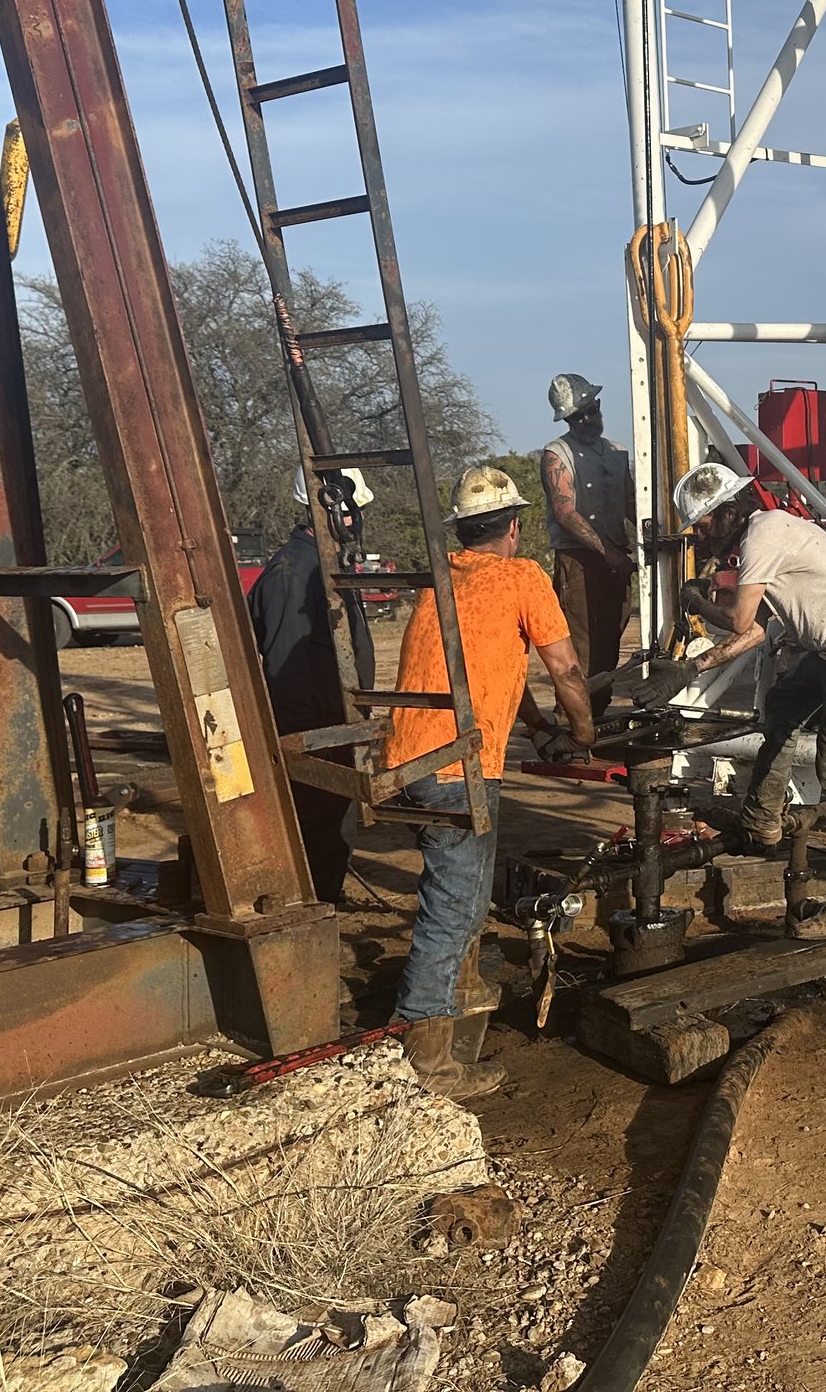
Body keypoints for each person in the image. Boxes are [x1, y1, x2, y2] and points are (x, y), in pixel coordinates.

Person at [387, 464, 595, 1097]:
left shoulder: (442, 578)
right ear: (514, 526)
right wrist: (583, 733)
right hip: (459, 766)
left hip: (411, 758)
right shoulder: (522, 575)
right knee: (452, 909)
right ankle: (427, 1059)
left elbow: (486, 664)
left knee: (462, 891)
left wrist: (531, 723)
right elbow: (564, 668)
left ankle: (462, 987)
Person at [674, 461, 826, 942]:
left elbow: (736, 621)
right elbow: (753, 631)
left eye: (705, 524)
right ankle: (763, 821)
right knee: (782, 706)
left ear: (729, 513)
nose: (703, 536)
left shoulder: (760, 539)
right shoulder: (767, 534)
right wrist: (695, 666)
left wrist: (697, 603)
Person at [246, 466, 375, 906]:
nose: (359, 520)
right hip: (314, 732)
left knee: (333, 827)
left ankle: (322, 904)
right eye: (355, 509)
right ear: (333, 507)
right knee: (316, 829)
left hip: (333, 727)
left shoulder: (322, 564)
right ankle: (312, 912)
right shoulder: (293, 573)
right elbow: (288, 669)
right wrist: (309, 746)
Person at [540, 373, 635, 704]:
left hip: (617, 558)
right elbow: (565, 513)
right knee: (580, 648)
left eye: (589, 412)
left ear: (597, 406)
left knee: (609, 642)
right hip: (579, 560)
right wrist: (606, 552)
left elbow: (633, 503)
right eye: (576, 417)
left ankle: (596, 717)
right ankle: (574, 726)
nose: (586, 421)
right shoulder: (557, 454)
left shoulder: (617, 452)